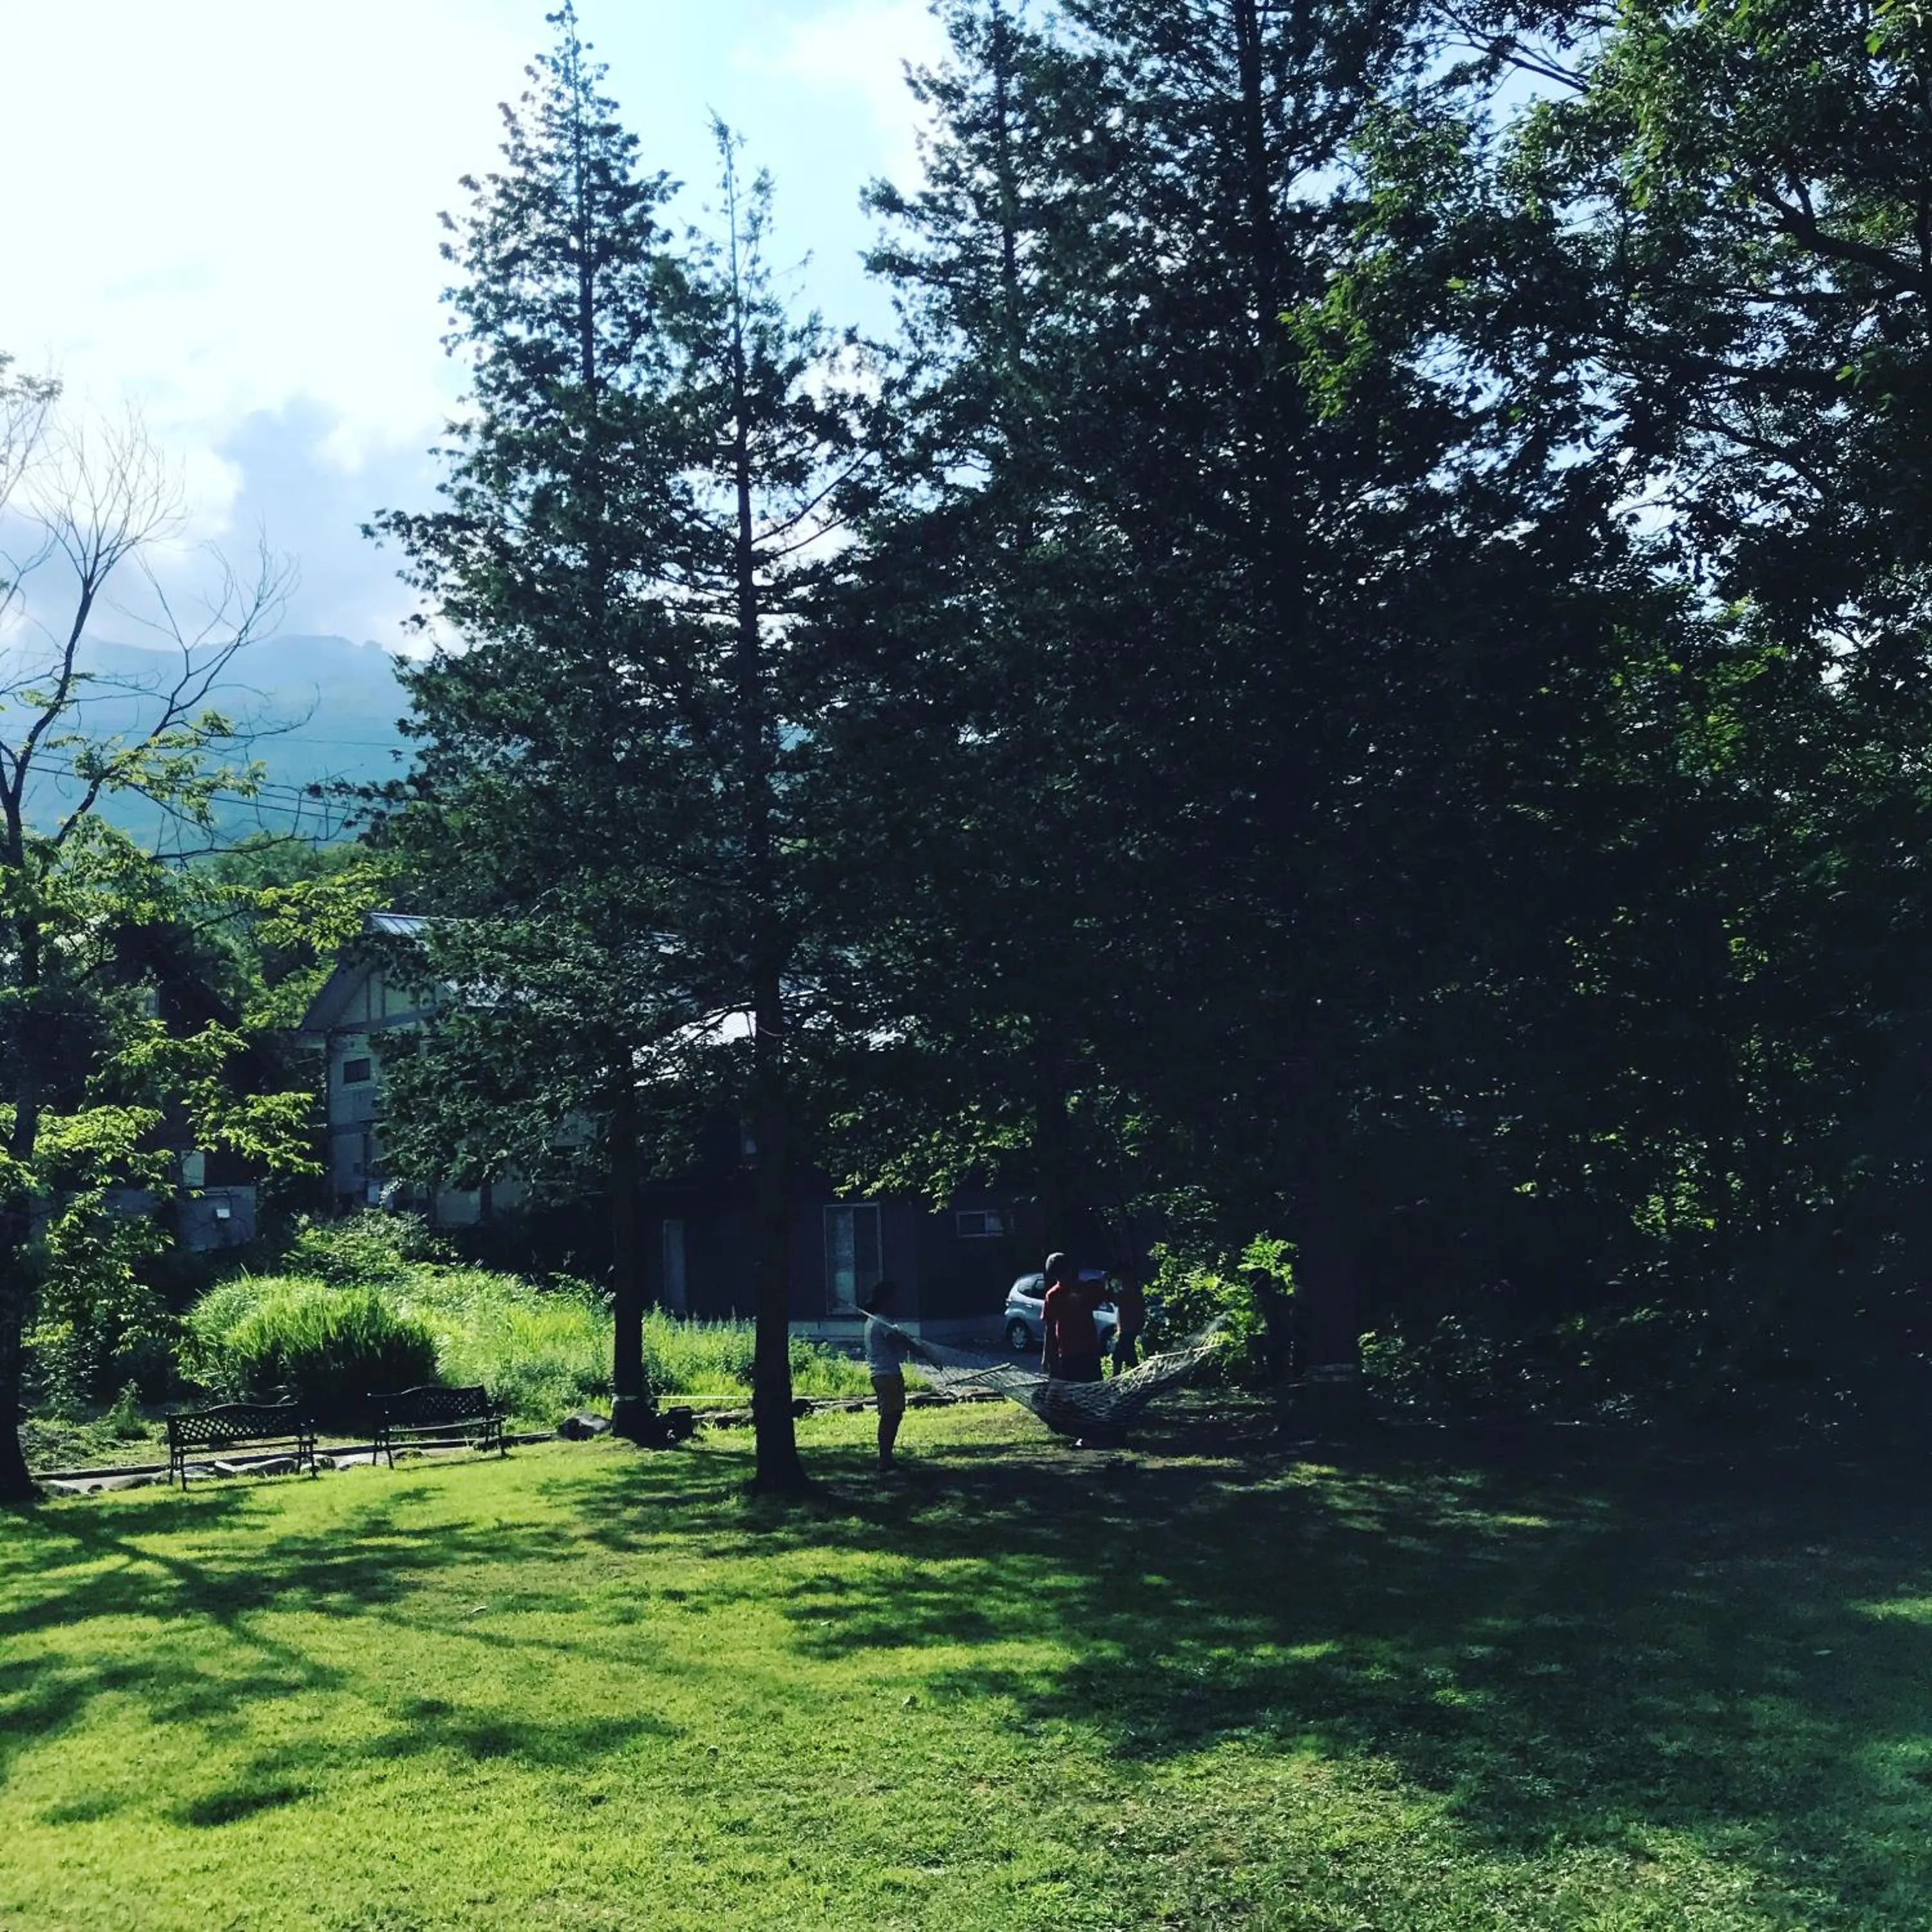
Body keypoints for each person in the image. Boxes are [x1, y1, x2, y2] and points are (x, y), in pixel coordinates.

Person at [862, 1278, 916, 1470]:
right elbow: (899, 1340)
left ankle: (887, 1458)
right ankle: (885, 1459)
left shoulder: (873, 1321)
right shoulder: (881, 1322)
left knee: (893, 1414)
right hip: (887, 1374)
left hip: (881, 1374)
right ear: (885, 1299)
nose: (896, 1302)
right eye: (893, 1298)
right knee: (890, 1416)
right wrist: (920, 1350)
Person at [1039, 1251, 1104, 1383]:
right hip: (1076, 1351)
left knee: (1078, 1393)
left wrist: (1047, 1357)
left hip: (1079, 1351)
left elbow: (1050, 1328)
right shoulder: (1082, 1289)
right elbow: (1050, 1329)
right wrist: (1048, 1357)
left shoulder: (1056, 1294)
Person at [1109, 1267, 1146, 1376]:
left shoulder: (1129, 1293)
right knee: (1122, 1355)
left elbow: (1113, 1299)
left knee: (1123, 1355)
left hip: (1129, 1329)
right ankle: (1121, 1378)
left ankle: (1136, 1377)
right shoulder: (1134, 1293)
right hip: (1129, 1329)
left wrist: (1109, 1285)